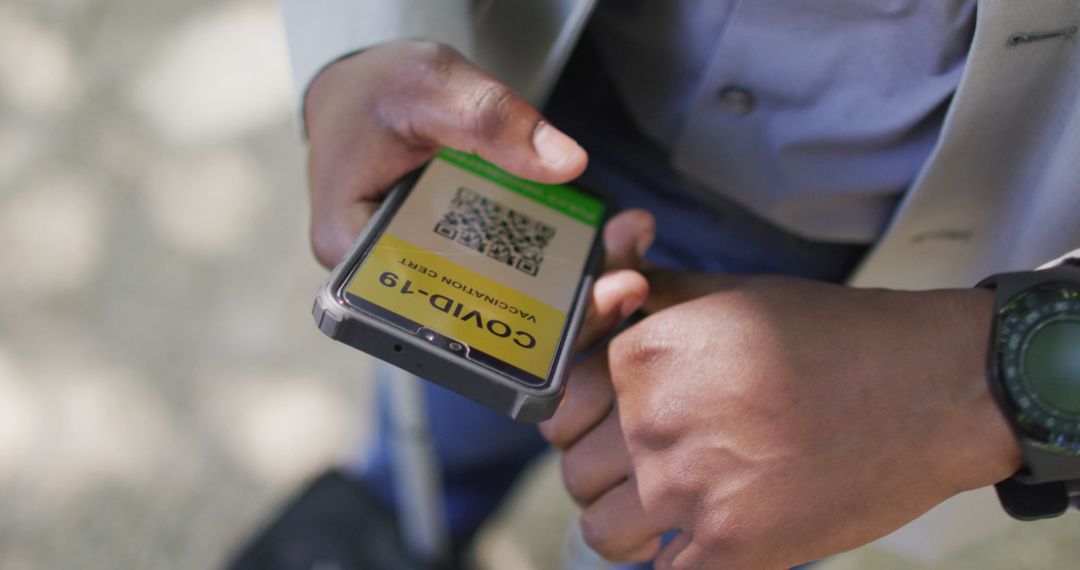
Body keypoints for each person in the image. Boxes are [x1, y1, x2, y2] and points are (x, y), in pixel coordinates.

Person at [239, 1, 1080, 568]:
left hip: (900, 275)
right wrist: (367, 37)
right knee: (440, 426)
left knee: (673, 538)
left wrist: (985, 376)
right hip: (542, 103)